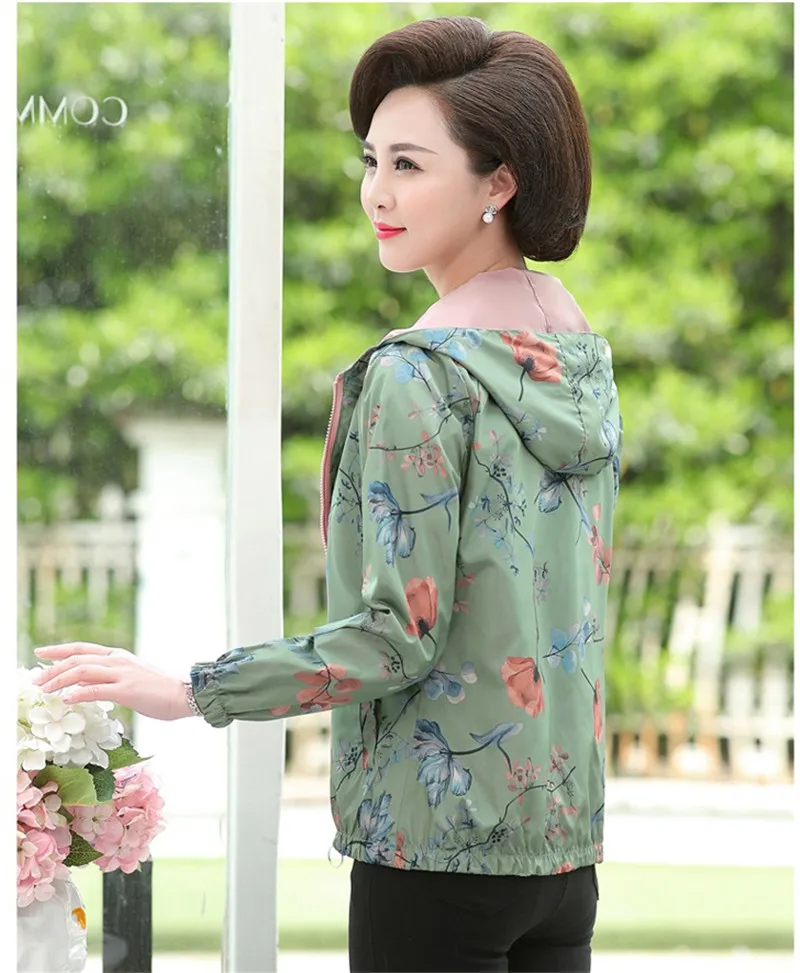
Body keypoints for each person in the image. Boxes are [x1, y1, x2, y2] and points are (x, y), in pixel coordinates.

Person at [34, 15, 622, 973]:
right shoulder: (576, 355)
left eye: (409, 165)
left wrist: (190, 690)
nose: (376, 193)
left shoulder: (416, 374)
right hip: (561, 852)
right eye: (371, 160)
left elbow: (397, 636)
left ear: (499, 183)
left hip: (433, 853)